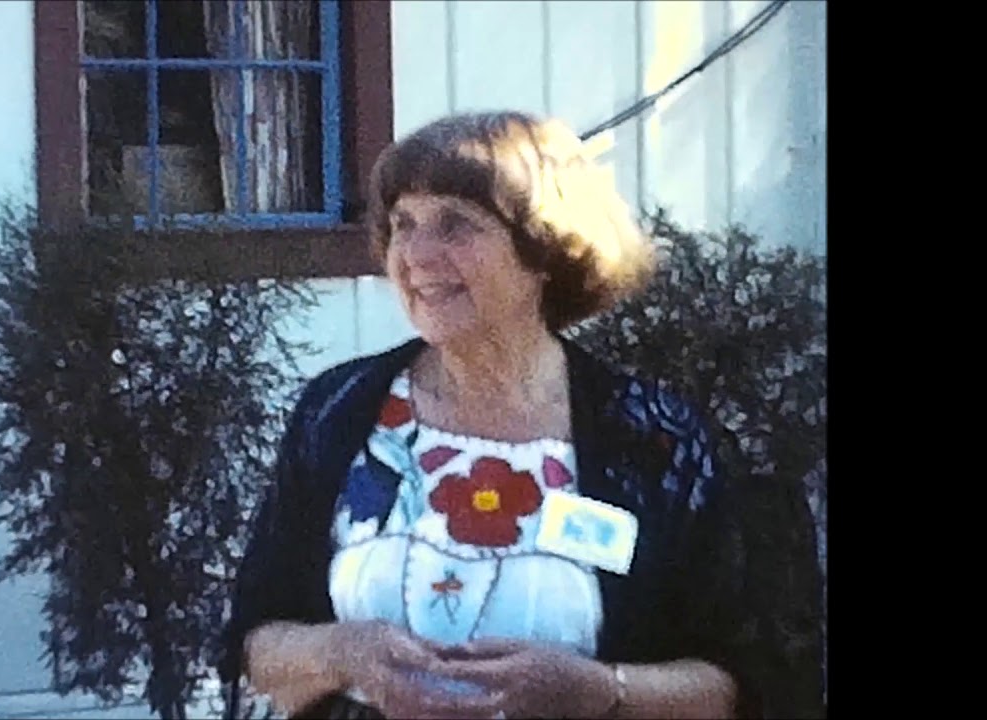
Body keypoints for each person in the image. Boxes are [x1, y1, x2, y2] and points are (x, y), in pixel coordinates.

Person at [219, 111, 793, 719]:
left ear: (545, 248)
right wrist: (339, 650)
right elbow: (255, 642)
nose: (413, 254)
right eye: (402, 224)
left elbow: (736, 682)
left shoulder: (650, 434)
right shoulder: (340, 409)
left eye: (455, 226)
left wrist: (602, 691)